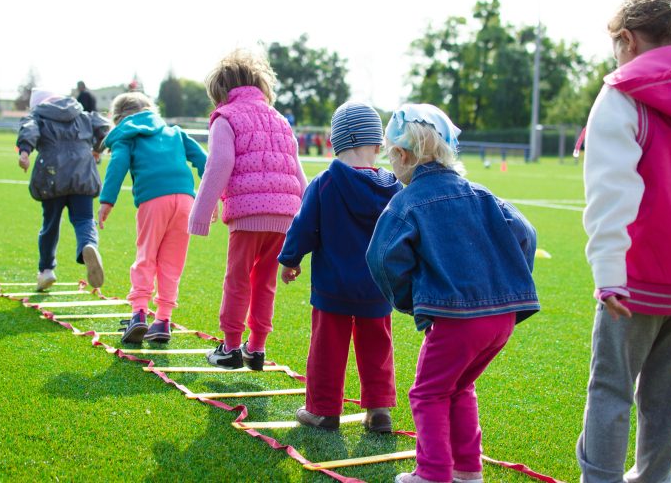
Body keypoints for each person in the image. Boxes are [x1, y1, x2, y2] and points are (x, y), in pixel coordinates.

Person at [366, 104, 539, 483]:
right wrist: (509, 283)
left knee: (427, 394)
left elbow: (380, 257)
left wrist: (411, 300)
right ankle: (467, 471)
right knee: (460, 387)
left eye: (391, 156)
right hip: (501, 320)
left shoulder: (406, 202)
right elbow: (526, 233)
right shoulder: (481, 193)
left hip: (457, 321)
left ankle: (432, 474)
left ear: (402, 155)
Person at [575, 0, 671, 483]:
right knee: (668, 396)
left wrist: (609, 274)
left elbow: (610, 192)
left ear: (627, 39)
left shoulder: (621, 94)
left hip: (636, 278)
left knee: (612, 389)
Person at [278, 102, 402, 433]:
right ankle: (379, 410)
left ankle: (323, 410)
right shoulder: (395, 187)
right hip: (378, 287)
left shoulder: (325, 183)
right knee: (378, 347)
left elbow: (303, 226)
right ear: (377, 145)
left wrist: (290, 260)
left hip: (332, 286)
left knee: (327, 349)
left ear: (334, 142)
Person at [188, 48, 307, 369]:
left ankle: (229, 348)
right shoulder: (280, 119)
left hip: (248, 213)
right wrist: (307, 221)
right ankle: (256, 348)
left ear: (221, 92)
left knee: (237, 279)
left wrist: (201, 213)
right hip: (285, 215)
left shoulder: (225, 118)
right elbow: (298, 171)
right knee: (264, 281)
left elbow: (220, 164)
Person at [97, 92, 207, 344]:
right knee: (172, 262)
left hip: (153, 199)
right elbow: (205, 161)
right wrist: (211, 197)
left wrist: (107, 200)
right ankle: (163, 321)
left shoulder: (127, 135)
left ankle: (138, 314)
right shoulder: (175, 132)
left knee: (146, 255)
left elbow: (118, 164)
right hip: (186, 200)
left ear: (118, 118)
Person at [17, 88, 110, 292]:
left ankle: (46, 270)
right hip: (83, 172)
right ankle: (88, 245)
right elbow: (104, 127)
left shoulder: (38, 115)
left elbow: (29, 129)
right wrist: (98, 148)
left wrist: (24, 152)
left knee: (50, 223)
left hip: (52, 174)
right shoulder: (80, 113)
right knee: (84, 219)